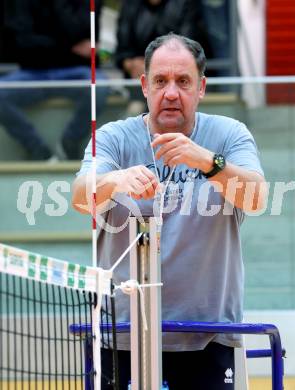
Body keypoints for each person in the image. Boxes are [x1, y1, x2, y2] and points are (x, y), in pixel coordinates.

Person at [72, 33, 267, 390]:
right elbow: (81, 197)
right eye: (161, 81)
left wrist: (208, 162)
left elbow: (255, 198)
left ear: (201, 87)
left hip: (209, 336)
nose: (171, 92)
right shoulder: (114, 138)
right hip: (123, 336)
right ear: (144, 85)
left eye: (183, 81)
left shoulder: (228, 134)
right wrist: (115, 179)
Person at [0, 0, 108, 160]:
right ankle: (39, 151)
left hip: (74, 71)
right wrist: (69, 46)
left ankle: (70, 141)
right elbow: (21, 42)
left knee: (99, 87)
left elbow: (85, 33)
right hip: (33, 71)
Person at [115, 0, 204, 115]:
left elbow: (189, 48)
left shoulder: (185, 3)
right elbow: (122, 52)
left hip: (177, 70)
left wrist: (157, 66)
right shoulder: (130, 5)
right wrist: (132, 64)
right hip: (136, 79)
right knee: (137, 110)